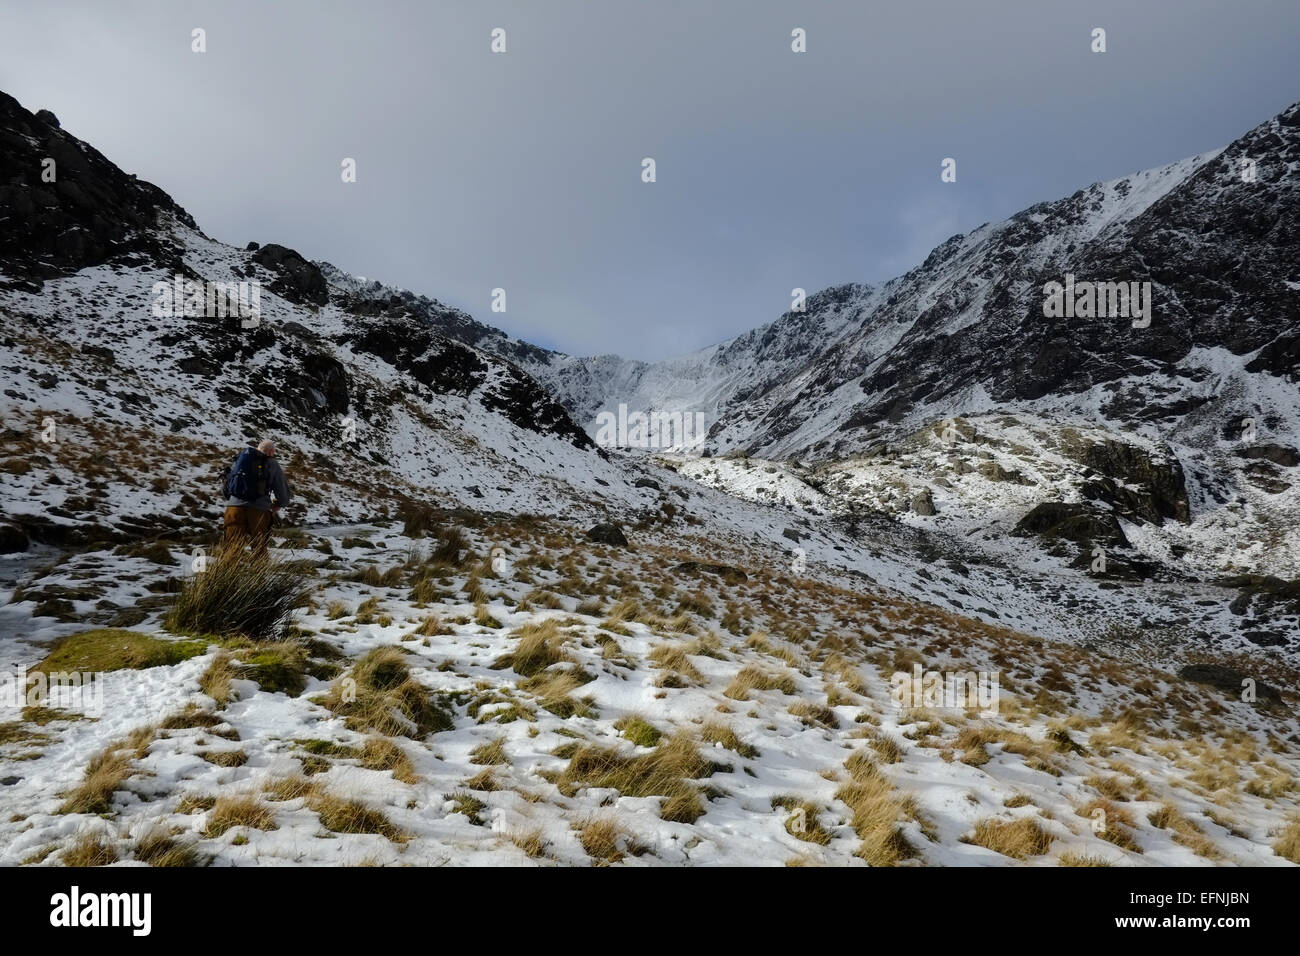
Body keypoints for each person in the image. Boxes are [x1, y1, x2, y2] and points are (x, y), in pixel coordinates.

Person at [222, 439, 291, 556]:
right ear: (270, 452)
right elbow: (281, 488)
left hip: (233, 509)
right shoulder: (271, 463)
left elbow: (227, 486)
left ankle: (228, 572)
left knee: (232, 546)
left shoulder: (240, 461)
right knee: (259, 546)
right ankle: (259, 573)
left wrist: (233, 500)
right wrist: (279, 503)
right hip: (258, 509)